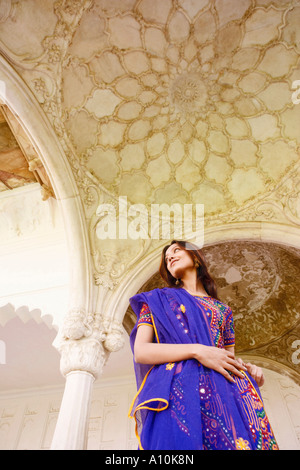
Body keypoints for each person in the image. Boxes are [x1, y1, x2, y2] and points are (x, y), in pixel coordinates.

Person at [128, 240, 278, 450]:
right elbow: (141, 352)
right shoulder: (157, 300)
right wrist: (197, 350)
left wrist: (248, 370)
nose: (169, 256)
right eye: (166, 256)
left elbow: (228, 358)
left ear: (196, 258)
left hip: (227, 391)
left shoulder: (223, 310)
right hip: (181, 391)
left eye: (176, 250)